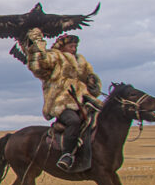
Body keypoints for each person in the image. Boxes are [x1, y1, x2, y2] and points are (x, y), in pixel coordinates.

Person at [18, 30, 101, 171]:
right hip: (61, 102)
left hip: (83, 100)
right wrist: (36, 43)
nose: (74, 49)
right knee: (73, 121)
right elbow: (39, 64)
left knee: (103, 116)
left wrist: (93, 83)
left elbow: (90, 79)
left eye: (75, 46)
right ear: (62, 47)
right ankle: (67, 155)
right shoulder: (55, 57)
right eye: (71, 46)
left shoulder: (82, 62)